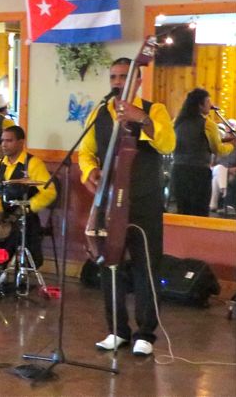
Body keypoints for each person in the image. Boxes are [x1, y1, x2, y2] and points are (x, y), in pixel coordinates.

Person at [78, 57, 176, 357]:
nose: (118, 82)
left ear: (138, 80)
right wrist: (89, 171)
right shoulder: (99, 113)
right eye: (114, 77)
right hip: (111, 202)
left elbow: (168, 144)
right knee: (111, 264)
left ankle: (145, 333)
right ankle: (117, 330)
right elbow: (85, 152)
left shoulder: (154, 110)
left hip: (144, 200)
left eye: (124, 76)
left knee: (146, 265)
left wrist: (142, 118)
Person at [0, 125, 56, 270]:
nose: (4, 144)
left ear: (21, 143)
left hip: (25, 216)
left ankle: (1, 267)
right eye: (2, 141)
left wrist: (27, 208)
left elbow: (49, 192)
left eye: (9, 141)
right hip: (4, 213)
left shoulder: (33, 163)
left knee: (12, 233)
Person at [172, 88, 236, 216]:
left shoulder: (177, 122)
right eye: (208, 101)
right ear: (200, 105)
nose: (210, 104)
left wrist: (223, 140)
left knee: (183, 210)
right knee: (199, 211)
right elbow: (218, 149)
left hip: (178, 170)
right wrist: (232, 145)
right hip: (198, 172)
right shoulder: (207, 124)